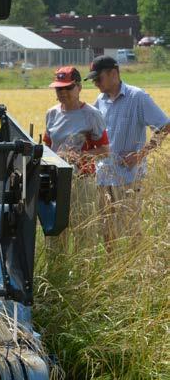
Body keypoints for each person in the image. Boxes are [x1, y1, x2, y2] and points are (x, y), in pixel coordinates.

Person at [84, 55, 170, 248]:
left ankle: (133, 267)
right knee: (106, 228)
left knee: (131, 226)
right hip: (103, 174)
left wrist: (140, 154)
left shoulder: (137, 97)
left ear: (113, 74)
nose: (96, 83)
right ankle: (110, 266)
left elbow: (165, 125)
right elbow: (94, 132)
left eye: (98, 78)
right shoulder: (100, 100)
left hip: (129, 176)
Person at [43, 66, 110, 249]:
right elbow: (46, 147)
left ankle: (84, 274)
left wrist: (80, 155)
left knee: (83, 233)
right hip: (55, 182)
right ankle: (57, 272)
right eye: (59, 88)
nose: (63, 92)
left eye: (68, 87)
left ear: (79, 88)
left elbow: (105, 149)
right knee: (55, 234)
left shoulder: (91, 114)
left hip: (82, 181)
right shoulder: (52, 113)